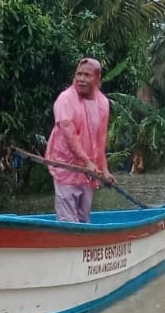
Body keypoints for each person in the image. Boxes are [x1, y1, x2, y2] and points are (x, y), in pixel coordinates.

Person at [45, 57, 114, 223]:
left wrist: (104, 169)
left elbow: (100, 139)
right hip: (65, 165)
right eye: (79, 74)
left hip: (88, 171)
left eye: (87, 75)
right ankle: (69, 245)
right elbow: (69, 135)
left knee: (84, 217)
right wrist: (86, 162)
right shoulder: (65, 99)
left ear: (97, 78)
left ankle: (85, 246)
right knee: (67, 218)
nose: (81, 79)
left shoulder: (103, 103)